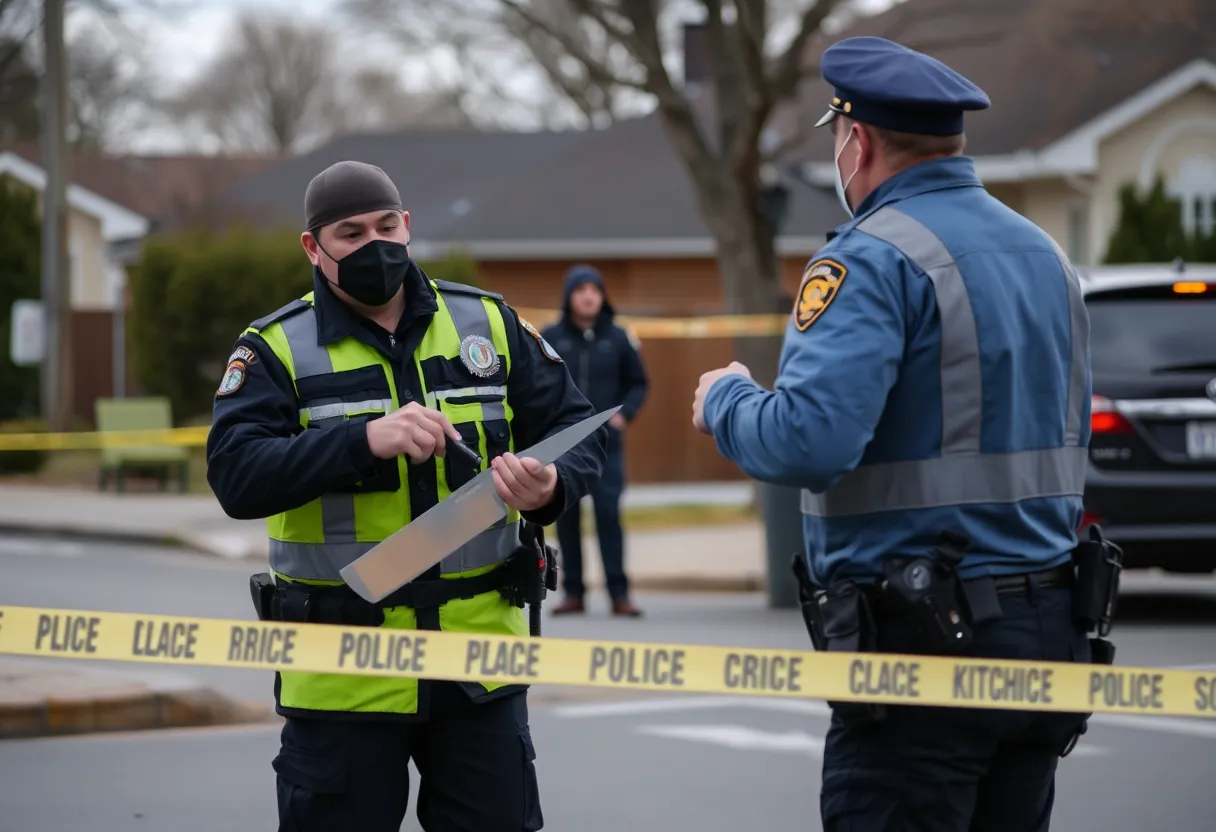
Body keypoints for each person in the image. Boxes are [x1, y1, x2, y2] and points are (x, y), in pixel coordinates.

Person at [691, 36, 1110, 832]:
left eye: (837, 135)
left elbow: (808, 441)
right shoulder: (1046, 254)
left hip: (927, 650)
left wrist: (728, 401)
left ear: (860, 140)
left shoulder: (870, 259)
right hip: (1050, 631)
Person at [205, 160, 607, 832]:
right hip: (343, 675)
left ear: (408, 225)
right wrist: (362, 442)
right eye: (351, 233)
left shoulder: (487, 322)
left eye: (387, 226)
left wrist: (551, 487)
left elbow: (577, 427)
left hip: (479, 670)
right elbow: (236, 476)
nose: (375, 245)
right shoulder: (275, 348)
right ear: (314, 247)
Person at [542, 265, 648, 617]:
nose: (589, 296)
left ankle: (619, 594)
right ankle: (573, 593)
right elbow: (538, 384)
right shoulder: (551, 337)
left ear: (603, 297)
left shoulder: (618, 338)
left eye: (595, 290)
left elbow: (638, 382)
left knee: (608, 516)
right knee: (567, 519)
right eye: (581, 290)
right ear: (568, 296)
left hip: (607, 447)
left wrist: (624, 415)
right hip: (564, 447)